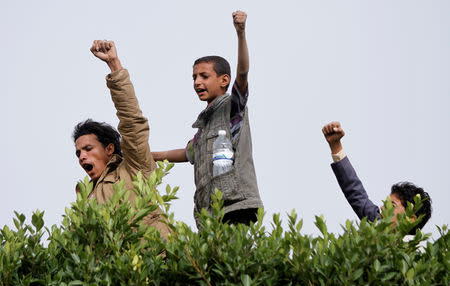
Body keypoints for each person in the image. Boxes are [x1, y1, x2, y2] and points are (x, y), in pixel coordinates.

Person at [152, 11, 263, 228]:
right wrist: (148, 155)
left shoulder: (232, 109)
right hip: (209, 213)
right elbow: (186, 153)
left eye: (204, 76)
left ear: (224, 80)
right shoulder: (204, 128)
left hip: (233, 206)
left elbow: (242, 73)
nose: (196, 82)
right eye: (194, 77)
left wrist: (241, 33)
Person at [73, 40, 171, 240]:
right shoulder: (84, 197)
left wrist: (114, 65)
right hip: (118, 270)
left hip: (157, 262)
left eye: (88, 149)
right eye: (78, 153)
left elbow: (132, 123)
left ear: (109, 149)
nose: (82, 157)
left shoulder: (133, 168)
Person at [322, 121, 432, 234]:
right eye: (385, 204)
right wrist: (336, 146)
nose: (382, 208)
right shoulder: (377, 224)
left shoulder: (420, 251)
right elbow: (355, 191)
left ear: (411, 219)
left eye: (392, 205)